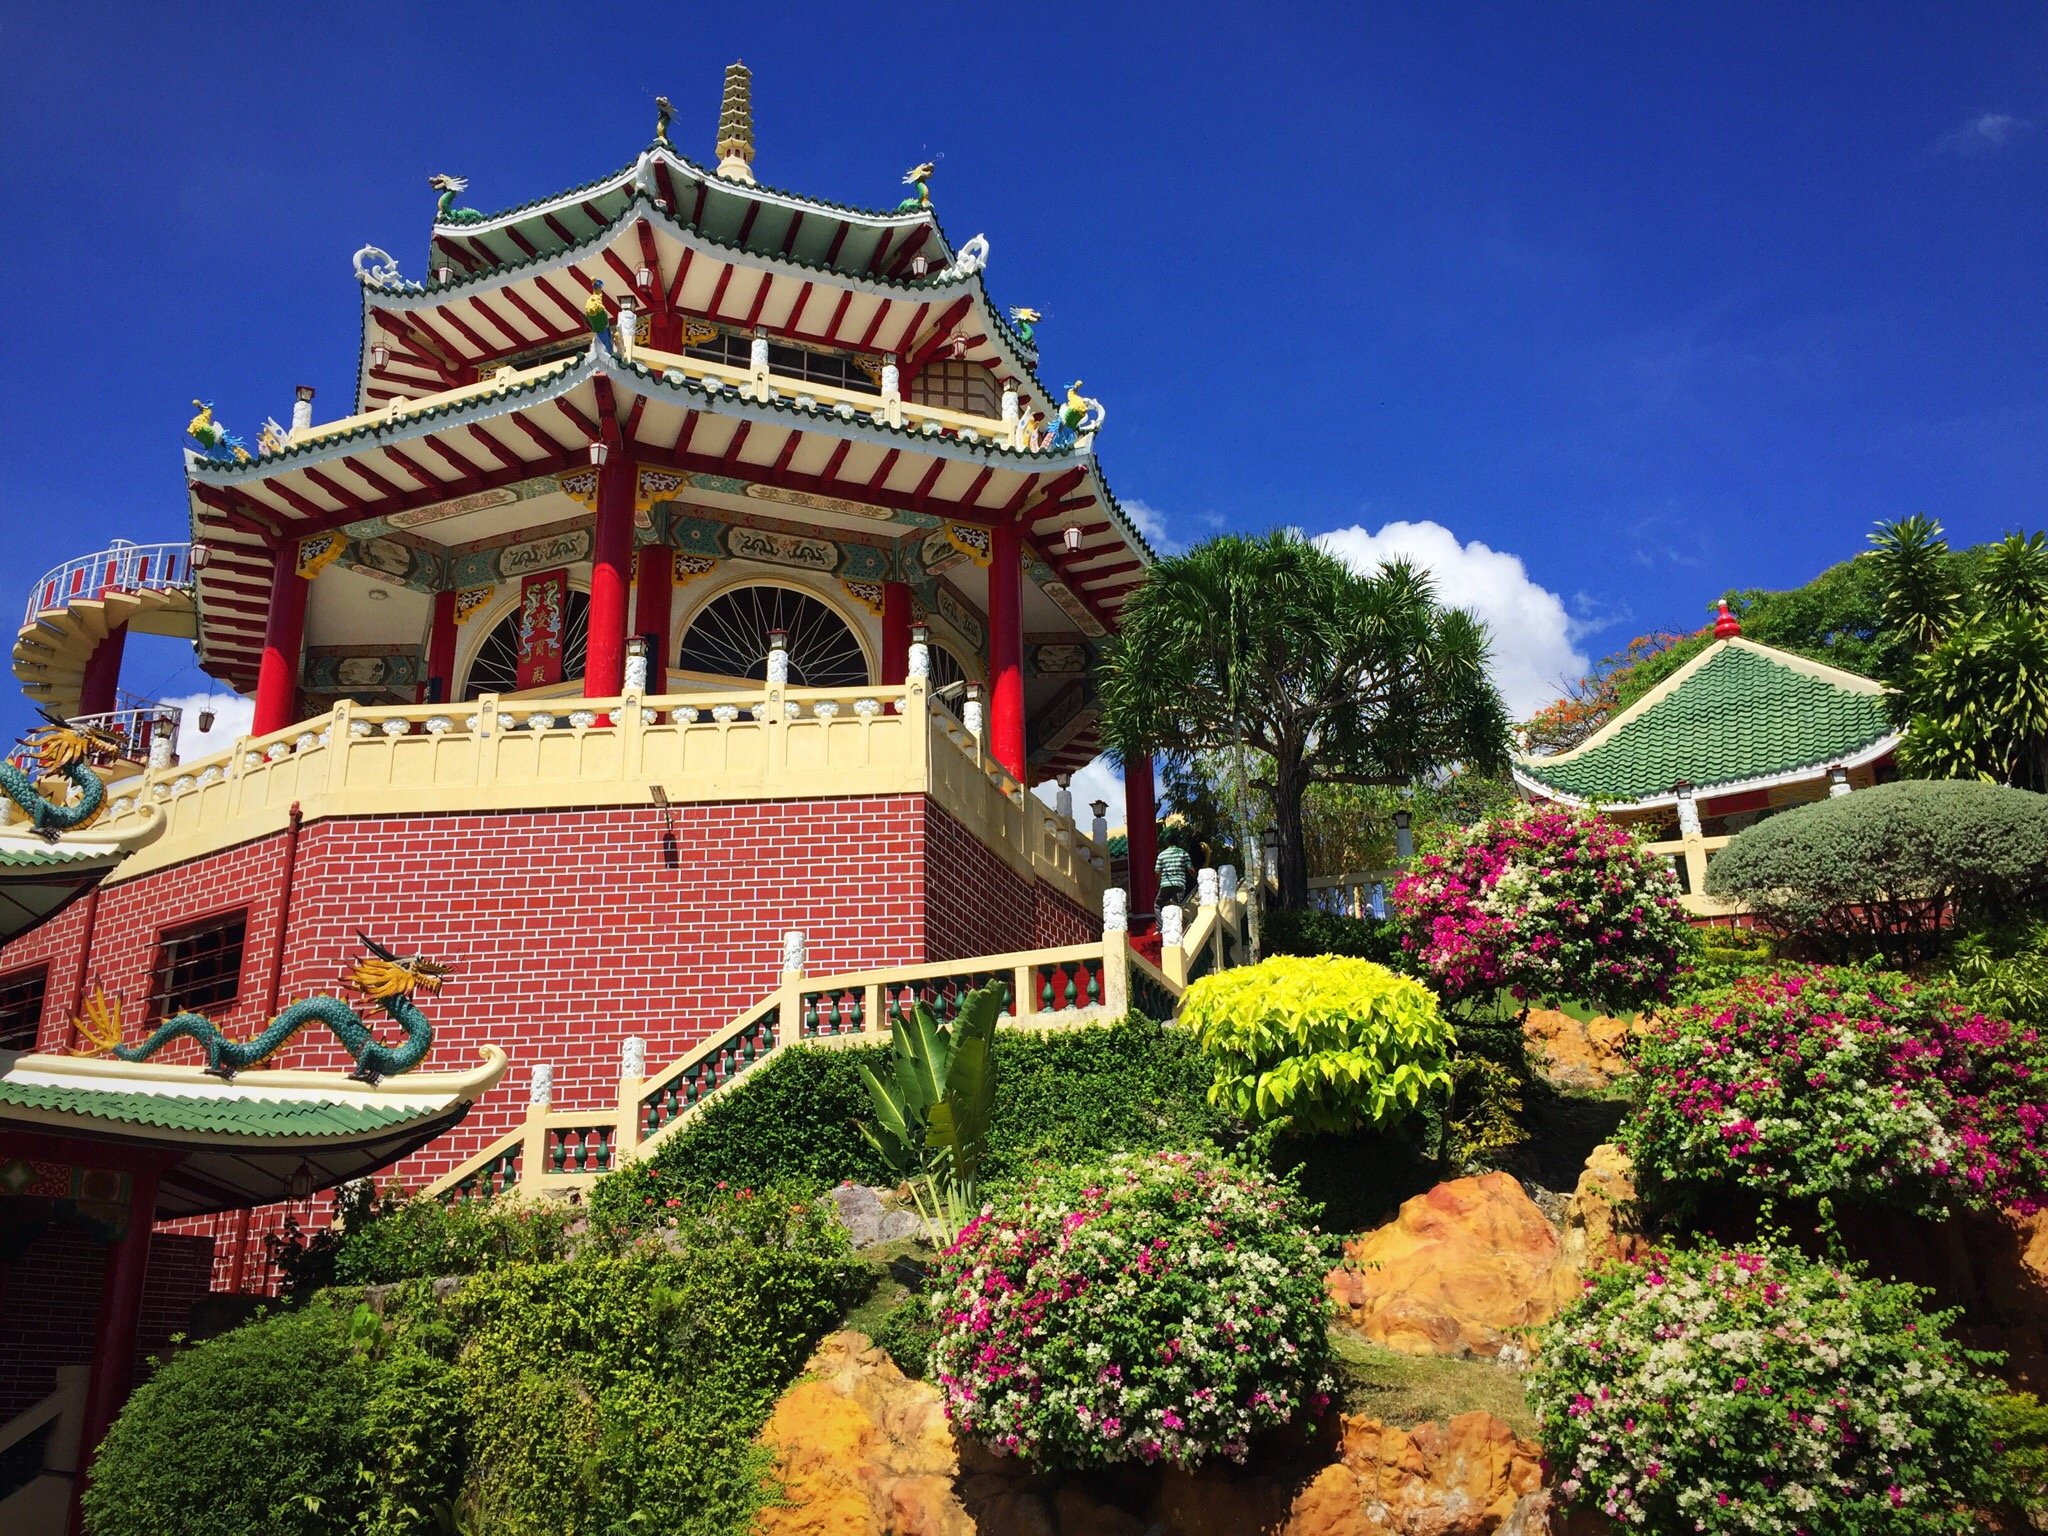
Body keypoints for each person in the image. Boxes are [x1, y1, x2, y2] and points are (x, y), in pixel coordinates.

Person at [1154, 827, 1194, 919]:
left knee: (1158, 905)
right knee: (1178, 905)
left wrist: (1157, 885)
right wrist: (1196, 878)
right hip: (1180, 884)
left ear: (1167, 842)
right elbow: (1190, 869)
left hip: (1165, 885)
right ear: (1177, 842)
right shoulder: (1183, 853)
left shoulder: (1161, 855)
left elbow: (1157, 873)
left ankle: (1161, 925)